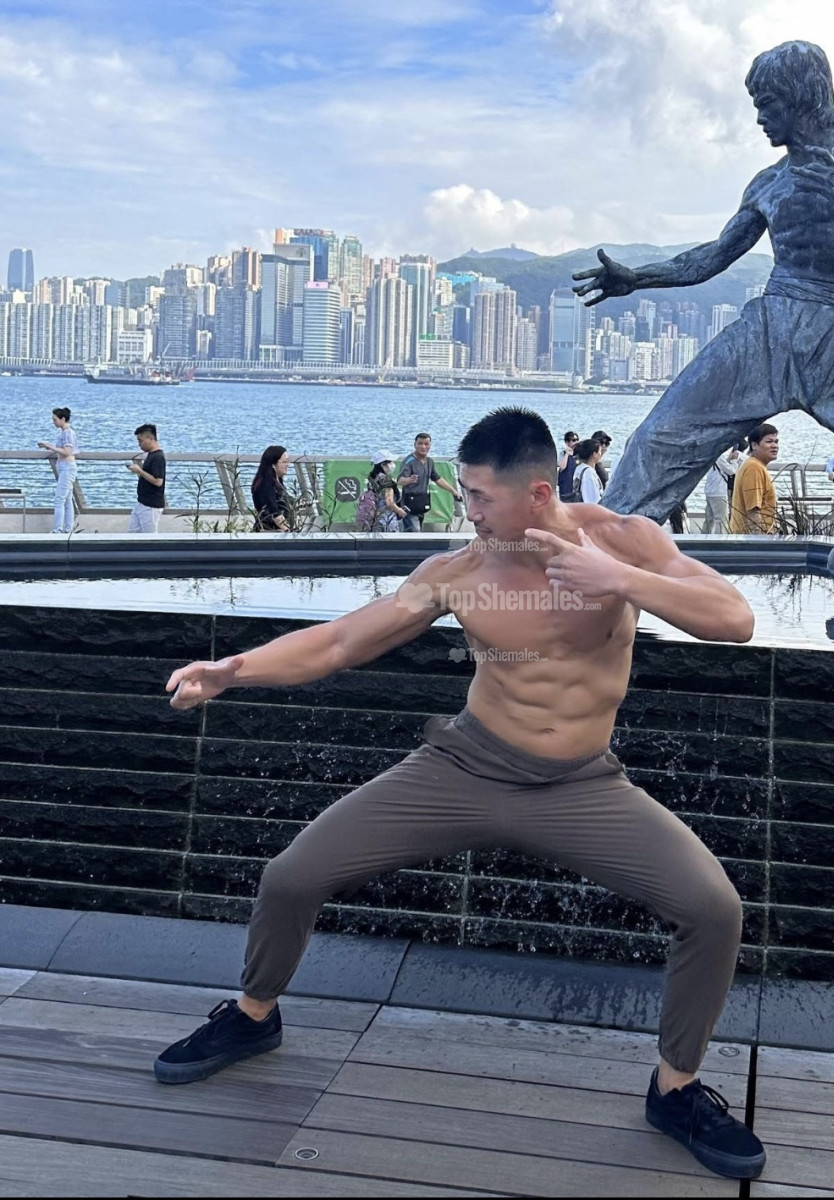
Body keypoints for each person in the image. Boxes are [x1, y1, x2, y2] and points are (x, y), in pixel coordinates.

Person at [155, 407, 766, 1182]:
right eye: (463, 491)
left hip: (582, 785)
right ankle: (253, 1016)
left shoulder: (624, 541)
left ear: (537, 492)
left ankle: (674, 1090)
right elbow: (340, 642)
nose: (464, 508)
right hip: (465, 767)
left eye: (479, 495)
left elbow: (735, 619)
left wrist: (620, 581)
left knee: (714, 910)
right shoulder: (459, 572)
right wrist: (232, 671)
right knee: (291, 877)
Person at [572, 39, 834, 606]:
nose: (759, 118)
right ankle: (600, 560)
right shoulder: (768, 183)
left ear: (801, 98)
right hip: (767, 331)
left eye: (767, 104)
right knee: (659, 439)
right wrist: (637, 278)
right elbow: (710, 257)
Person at [395, 433, 463, 532]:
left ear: (430, 445)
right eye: (420, 443)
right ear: (415, 445)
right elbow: (400, 480)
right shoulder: (409, 461)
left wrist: (453, 491)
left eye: (426, 444)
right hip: (409, 502)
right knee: (414, 532)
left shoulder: (429, 461)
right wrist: (409, 480)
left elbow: (437, 478)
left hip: (422, 501)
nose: (423, 447)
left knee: (418, 530)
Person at [730, 424, 779, 535]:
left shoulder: (756, 465)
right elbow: (753, 511)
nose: (774, 446)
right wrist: (758, 541)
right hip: (751, 538)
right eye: (769, 442)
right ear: (754, 445)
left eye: (776, 442)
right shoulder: (753, 468)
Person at [37, 406, 78, 534]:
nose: (53, 422)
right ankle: (68, 528)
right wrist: (50, 447)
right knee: (67, 500)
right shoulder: (64, 433)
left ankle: (57, 529)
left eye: (55, 419)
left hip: (67, 467)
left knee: (59, 499)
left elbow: (67, 451)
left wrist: (50, 447)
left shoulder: (68, 433)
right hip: (63, 466)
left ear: (63, 419)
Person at [127, 424, 166, 533]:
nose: (139, 444)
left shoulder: (158, 457)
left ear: (151, 438)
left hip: (151, 505)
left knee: (149, 536)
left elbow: (158, 481)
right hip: (142, 502)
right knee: (133, 533)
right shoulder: (151, 455)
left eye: (141, 441)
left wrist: (140, 471)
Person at [251, 446, 293, 532]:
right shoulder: (266, 484)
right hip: (269, 531)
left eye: (287, 462)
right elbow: (274, 512)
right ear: (273, 465)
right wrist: (289, 531)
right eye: (284, 462)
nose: (287, 465)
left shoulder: (277, 482)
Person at [364, 452, 408, 532]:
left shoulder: (373, 478)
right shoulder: (386, 481)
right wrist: (399, 510)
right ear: (383, 465)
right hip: (387, 517)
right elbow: (389, 502)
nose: (393, 465)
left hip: (374, 516)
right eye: (390, 462)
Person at [702, 445, 742, 534]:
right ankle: (720, 539)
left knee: (709, 520)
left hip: (710, 491)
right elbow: (731, 471)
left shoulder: (712, 455)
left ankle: (704, 537)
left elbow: (722, 466)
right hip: (719, 492)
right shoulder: (720, 456)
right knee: (721, 521)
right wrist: (734, 461)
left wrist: (729, 459)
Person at [569, 437, 604, 503]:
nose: (601, 454)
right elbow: (593, 500)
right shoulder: (589, 472)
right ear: (594, 454)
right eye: (600, 451)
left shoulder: (579, 468)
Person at [557, 431, 580, 500]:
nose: (576, 442)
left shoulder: (579, 454)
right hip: (566, 486)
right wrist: (567, 453)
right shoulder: (563, 453)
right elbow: (562, 466)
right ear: (567, 442)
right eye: (573, 440)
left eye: (577, 440)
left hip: (576, 486)